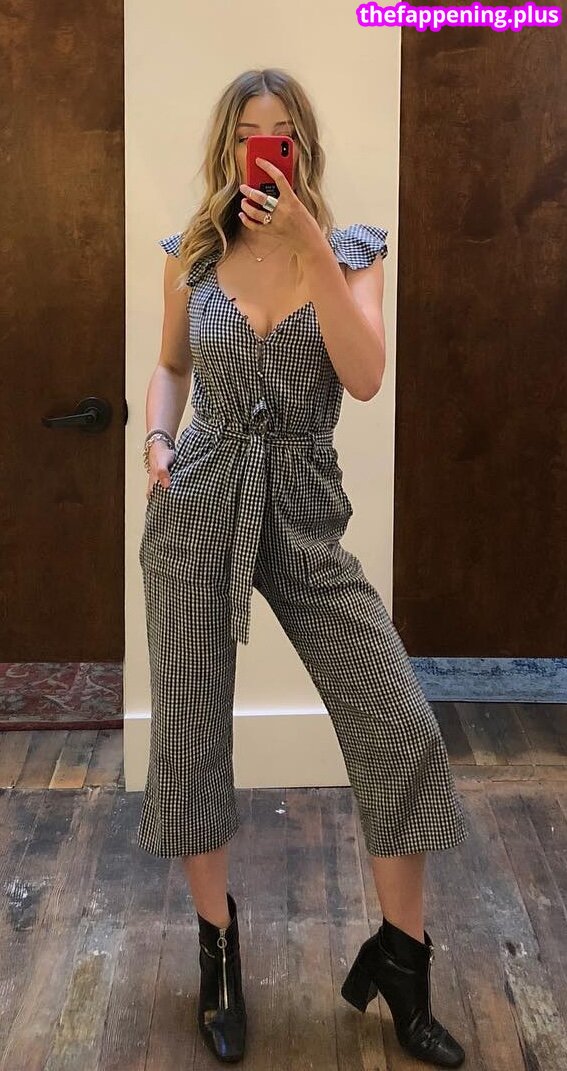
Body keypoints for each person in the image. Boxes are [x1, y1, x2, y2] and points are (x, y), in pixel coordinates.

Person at [138, 67, 469, 1068]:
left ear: (303, 145)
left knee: (399, 724)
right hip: (199, 497)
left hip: (304, 505)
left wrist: (309, 245)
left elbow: (364, 377)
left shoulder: (353, 251)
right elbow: (171, 366)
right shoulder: (194, 256)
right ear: (228, 146)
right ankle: (218, 955)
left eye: (281, 131)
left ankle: (401, 961)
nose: (265, 147)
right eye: (250, 131)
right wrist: (157, 440)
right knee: (191, 735)